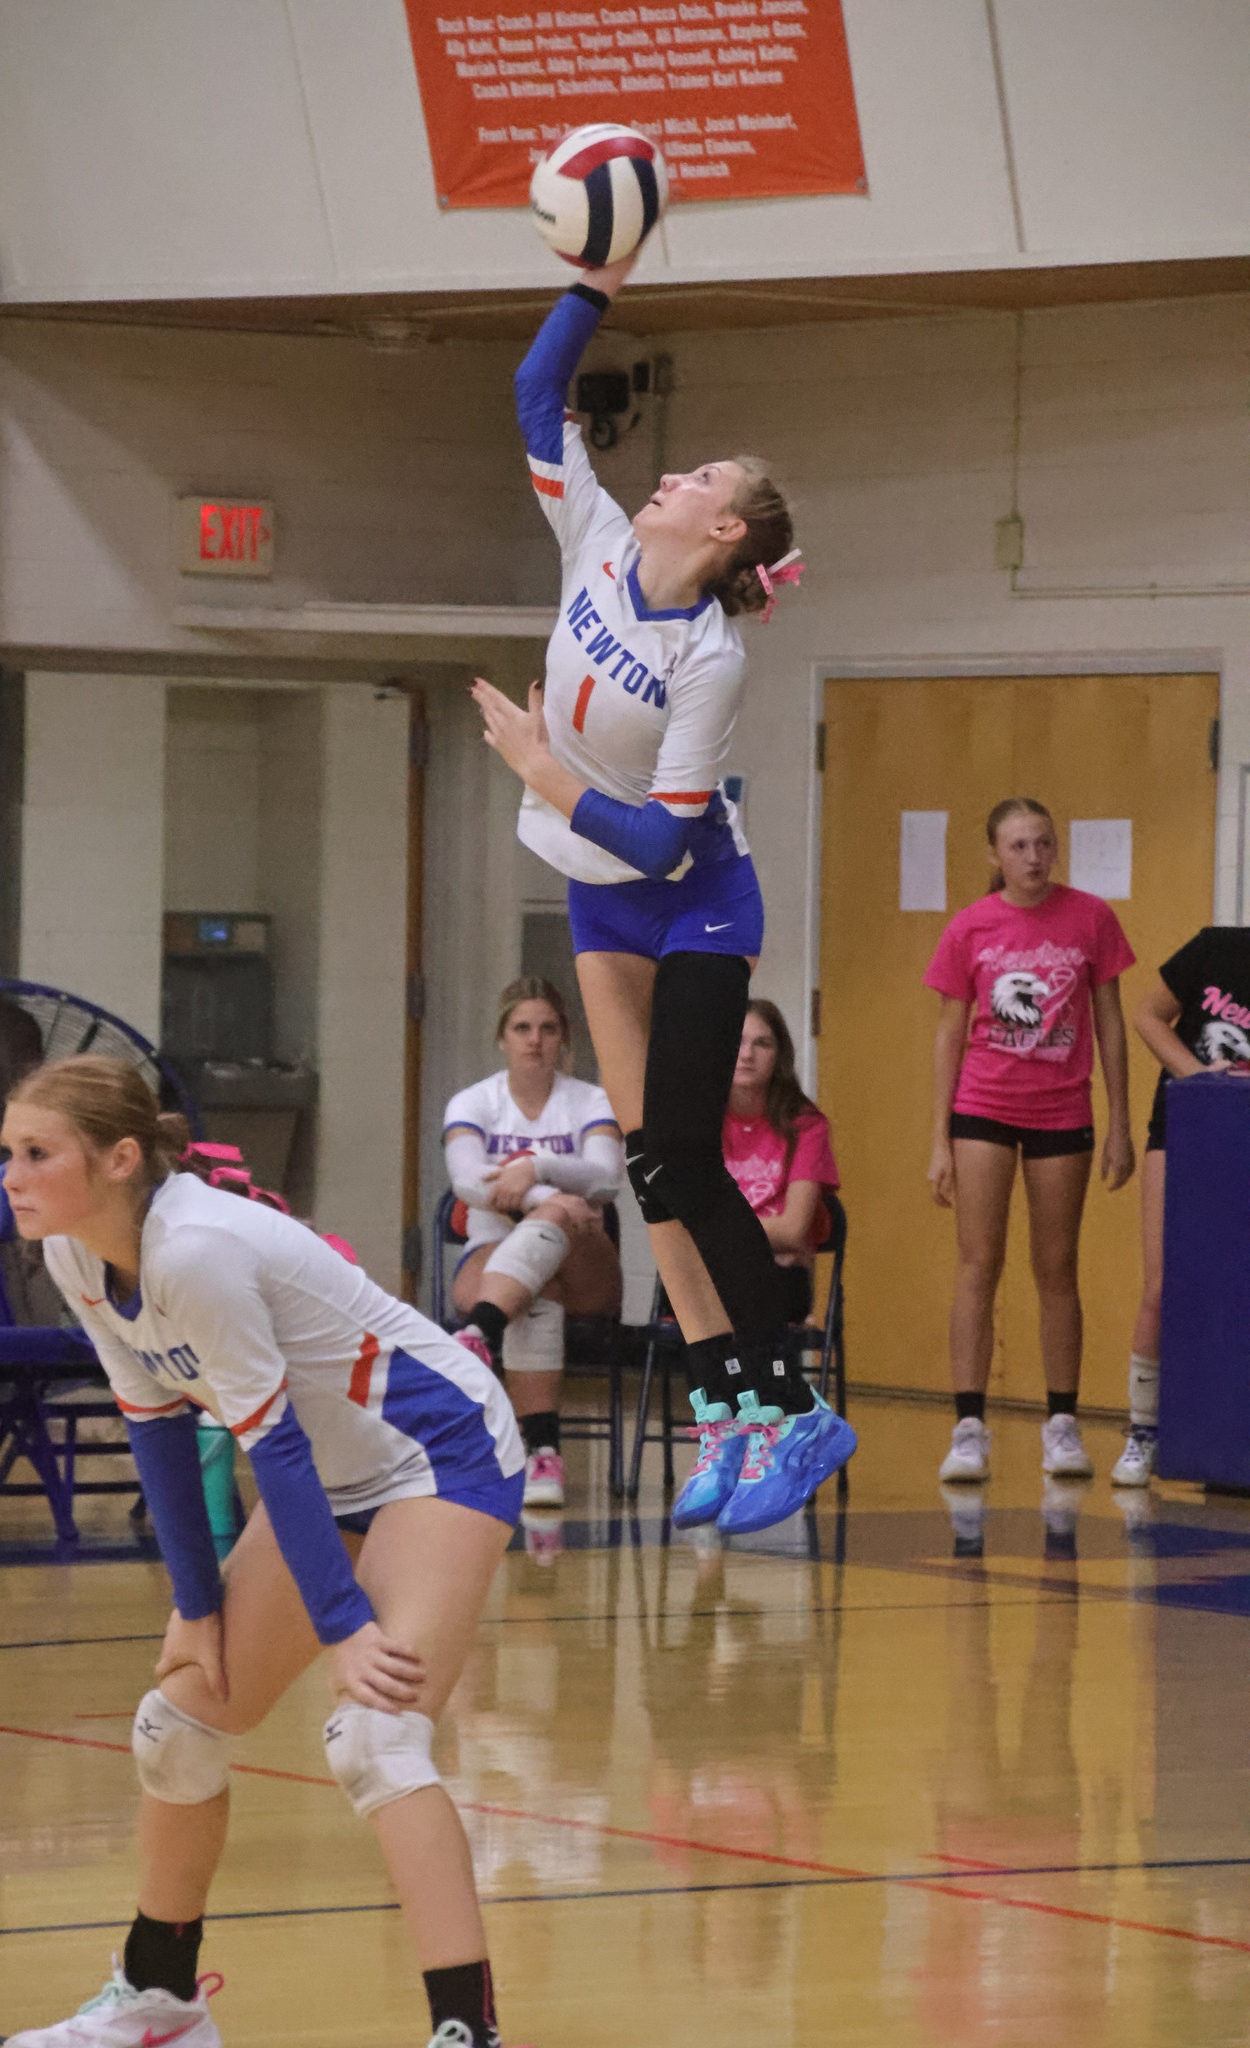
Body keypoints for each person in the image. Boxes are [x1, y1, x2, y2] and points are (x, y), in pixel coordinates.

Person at [0, 1056, 525, 2048]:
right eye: (8, 1153)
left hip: (437, 1449)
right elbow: (155, 1425)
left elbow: (272, 1446)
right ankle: (160, 2000)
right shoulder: (74, 1254)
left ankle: (468, 2030)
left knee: (374, 1737)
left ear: (118, 1159)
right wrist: (198, 1607)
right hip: (329, 1468)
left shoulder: (195, 1250)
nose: (10, 1177)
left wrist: (345, 1626)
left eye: (36, 1154)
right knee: (176, 1722)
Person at [471, 251, 855, 1538]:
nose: (671, 476)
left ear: (726, 531)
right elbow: (536, 391)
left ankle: (791, 1404)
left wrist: (539, 768)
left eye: (699, 479)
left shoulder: (710, 656)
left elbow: (658, 839)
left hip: (694, 903)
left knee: (682, 1154)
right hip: (599, 891)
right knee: (650, 1166)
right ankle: (732, 1408)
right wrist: (594, 280)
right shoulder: (593, 538)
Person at [926, 798, 1136, 1486]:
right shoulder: (970, 926)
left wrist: (1120, 1123)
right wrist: (938, 1139)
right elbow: (949, 1032)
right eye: (1018, 846)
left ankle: (1062, 1424)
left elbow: (1109, 1022)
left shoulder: (1091, 918)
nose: (1033, 857)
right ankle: (968, 1428)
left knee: (1056, 1266)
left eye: (1043, 843)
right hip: (983, 1107)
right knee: (976, 1262)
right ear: (994, 855)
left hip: (1062, 1110)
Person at [443, 975, 623, 1511]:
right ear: (502, 1037)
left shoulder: (591, 1099)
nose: (535, 1040)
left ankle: (479, 1334)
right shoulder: (473, 1101)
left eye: (547, 1028)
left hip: (585, 1258)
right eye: (522, 1028)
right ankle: (543, 1455)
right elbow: (467, 1182)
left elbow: (606, 1179)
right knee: (538, 1290)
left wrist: (534, 1167)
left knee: (555, 1231)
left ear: (563, 1036)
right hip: (496, 1255)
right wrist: (552, 1197)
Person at [1111, 928, 1250, 1486]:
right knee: (1162, 1286)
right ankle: (1143, 1430)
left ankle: (1230, 1436)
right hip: (1186, 1132)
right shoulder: (1215, 949)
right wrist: (1200, 1082)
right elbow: (1147, 1016)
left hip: (1244, 1141)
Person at [723, 998, 840, 1329]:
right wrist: (762, 1240)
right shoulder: (699, 1122)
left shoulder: (806, 1125)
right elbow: (682, 1226)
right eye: (737, 1041)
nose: (747, 1054)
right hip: (709, 1275)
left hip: (777, 1281)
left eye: (762, 1043)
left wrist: (717, 1235)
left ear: (779, 1056)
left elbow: (792, 1229)